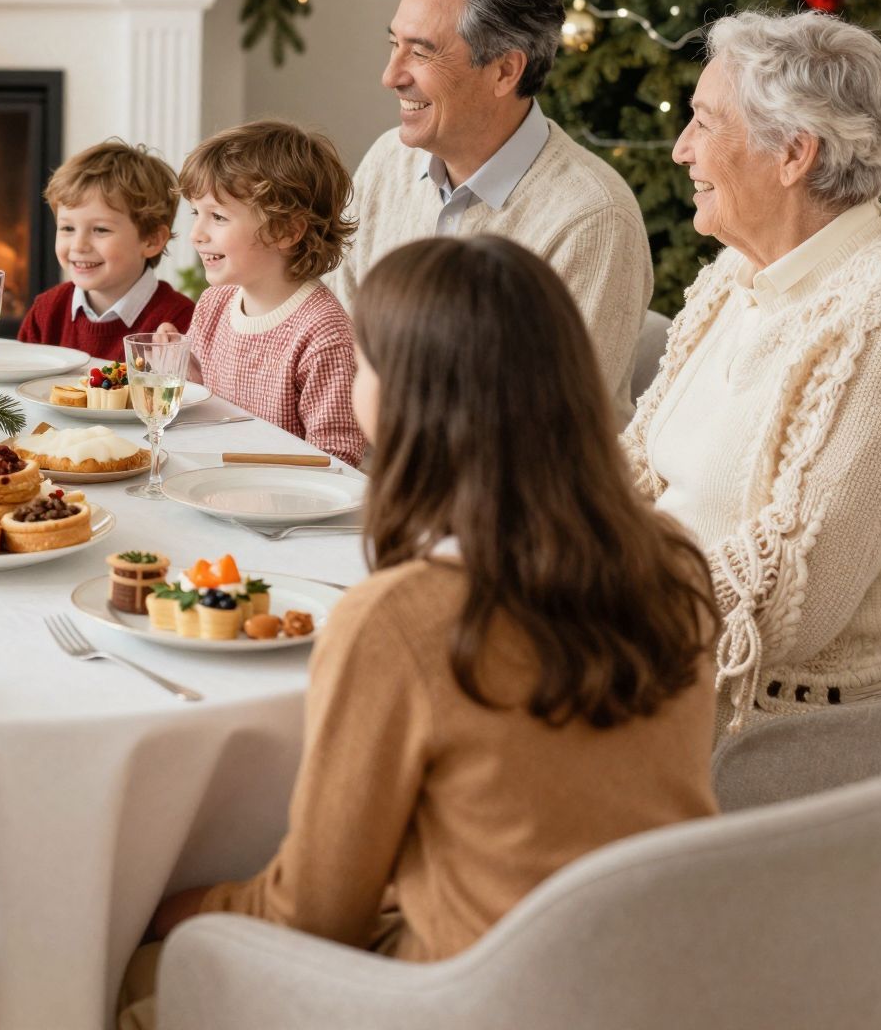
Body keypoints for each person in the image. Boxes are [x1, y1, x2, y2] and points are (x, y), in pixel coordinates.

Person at [119, 237, 718, 1028]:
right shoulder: (676, 567)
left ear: (408, 401)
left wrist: (184, 905)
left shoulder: (402, 619)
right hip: (663, 982)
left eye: (364, 365)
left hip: (474, 1000)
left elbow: (313, 914)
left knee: (136, 971)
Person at [624, 11, 881, 733]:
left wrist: (592, 612)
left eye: (703, 122)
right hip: (648, 647)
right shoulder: (741, 271)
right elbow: (636, 464)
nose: (681, 150)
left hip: (774, 723)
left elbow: (793, 595)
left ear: (793, 154)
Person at [328, 0, 652, 422]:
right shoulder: (387, 161)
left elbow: (554, 429)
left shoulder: (592, 217)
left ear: (505, 71)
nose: (390, 75)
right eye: (394, 45)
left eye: (420, 53)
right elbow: (337, 339)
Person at [166, 121, 363, 467]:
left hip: (285, 508)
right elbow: (205, 400)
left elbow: (337, 456)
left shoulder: (323, 333)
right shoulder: (214, 304)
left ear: (286, 231)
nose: (196, 233)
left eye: (218, 217)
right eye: (197, 213)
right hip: (216, 486)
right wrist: (177, 370)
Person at [16, 138, 194, 357]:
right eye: (67, 228)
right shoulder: (46, 310)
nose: (79, 245)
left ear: (151, 240)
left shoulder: (180, 321)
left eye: (100, 230)